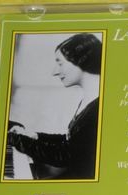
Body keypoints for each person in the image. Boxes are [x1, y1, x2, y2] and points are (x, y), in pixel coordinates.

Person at [8, 33, 102, 180]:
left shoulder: (98, 109)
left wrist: (15, 139)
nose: (55, 72)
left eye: (60, 63)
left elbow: (64, 155)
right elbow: (71, 143)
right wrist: (35, 136)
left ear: (80, 60)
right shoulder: (91, 99)